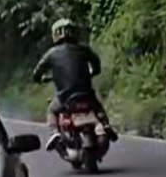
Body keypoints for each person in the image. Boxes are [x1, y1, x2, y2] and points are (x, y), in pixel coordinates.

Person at [34, 18, 117, 148]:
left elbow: (37, 72)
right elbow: (96, 62)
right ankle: (106, 125)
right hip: (86, 94)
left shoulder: (51, 54)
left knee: (52, 110)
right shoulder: (83, 49)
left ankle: (54, 132)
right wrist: (93, 72)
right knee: (97, 107)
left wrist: (40, 79)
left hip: (65, 97)